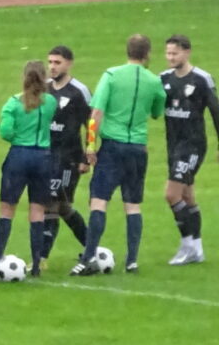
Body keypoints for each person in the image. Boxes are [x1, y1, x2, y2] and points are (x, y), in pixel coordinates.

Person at [72, 34, 168, 276]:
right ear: (147, 54)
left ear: (127, 51)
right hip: (138, 148)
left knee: (99, 201)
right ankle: (132, 261)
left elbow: (96, 114)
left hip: (113, 147)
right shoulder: (153, 81)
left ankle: (88, 257)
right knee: (133, 205)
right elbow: (158, 110)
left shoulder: (112, 75)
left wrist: (91, 145)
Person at [0, 61, 56, 276]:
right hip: (43, 157)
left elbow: (6, 132)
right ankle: (36, 264)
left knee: (7, 209)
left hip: (19, 155)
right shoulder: (50, 102)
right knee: (37, 210)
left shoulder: (13, 103)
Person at [161, 35, 219, 266]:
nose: (170, 57)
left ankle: (187, 246)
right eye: (167, 53)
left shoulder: (202, 79)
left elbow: (216, 112)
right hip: (173, 145)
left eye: (174, 53)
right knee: (187, 196)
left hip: (193, 145)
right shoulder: (163, 79)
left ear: (187, 52)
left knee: (171, 194)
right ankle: (197, 249)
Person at [43, 45, 92, 263]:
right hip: (46, 157)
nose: (52, 67)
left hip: (68, 158)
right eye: (50, 62)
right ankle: (93, 248)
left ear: (69, 63)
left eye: (57, 63)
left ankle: (40, 258)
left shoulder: (78, 91)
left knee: (51, 204)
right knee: (63, 207)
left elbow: (90, 123)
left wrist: (86, 156)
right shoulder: (45, 89)